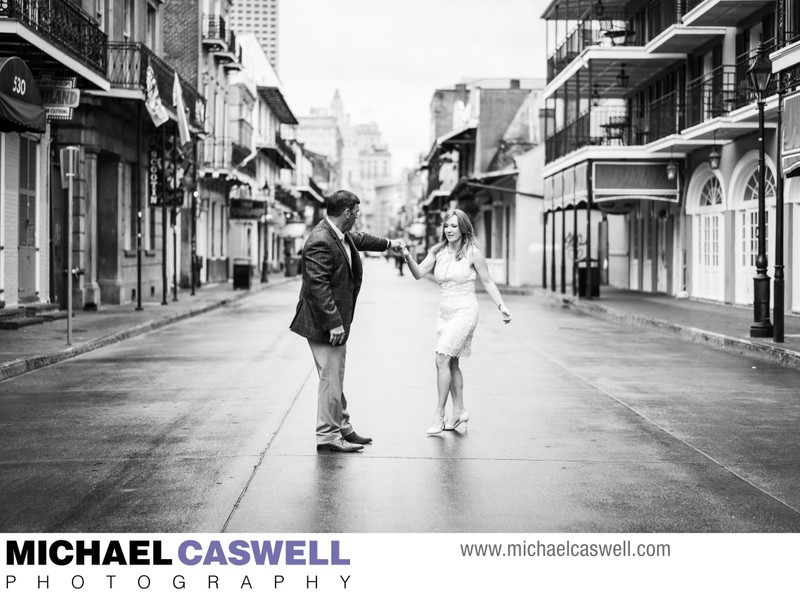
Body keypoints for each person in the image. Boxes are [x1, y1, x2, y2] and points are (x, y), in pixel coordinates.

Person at [290, 190, 404, 453]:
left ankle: (342, 426)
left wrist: (390, 244)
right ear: (347, 213)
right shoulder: (321, 240)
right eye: (357, 213)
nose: (358, 217)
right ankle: (328, 436)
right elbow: (317, 285)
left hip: (331, 320)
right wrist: (333, 322)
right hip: (324, 322)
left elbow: (360, 239)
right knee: (331, 378)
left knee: (333, 377)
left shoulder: (338, 234)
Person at [400, 209, 512, 435]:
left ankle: (439, 415)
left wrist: (501, 306)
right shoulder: (438, 251)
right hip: (445, 312)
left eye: (454, 226)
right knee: (451, 363)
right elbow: (419, 273)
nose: (449, 230)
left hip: (466, 310)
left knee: (441, 358)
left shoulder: (473, 253)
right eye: (446, 226)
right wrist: (408, 257)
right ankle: (459, 410)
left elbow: (488, 282)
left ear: (463, 228)